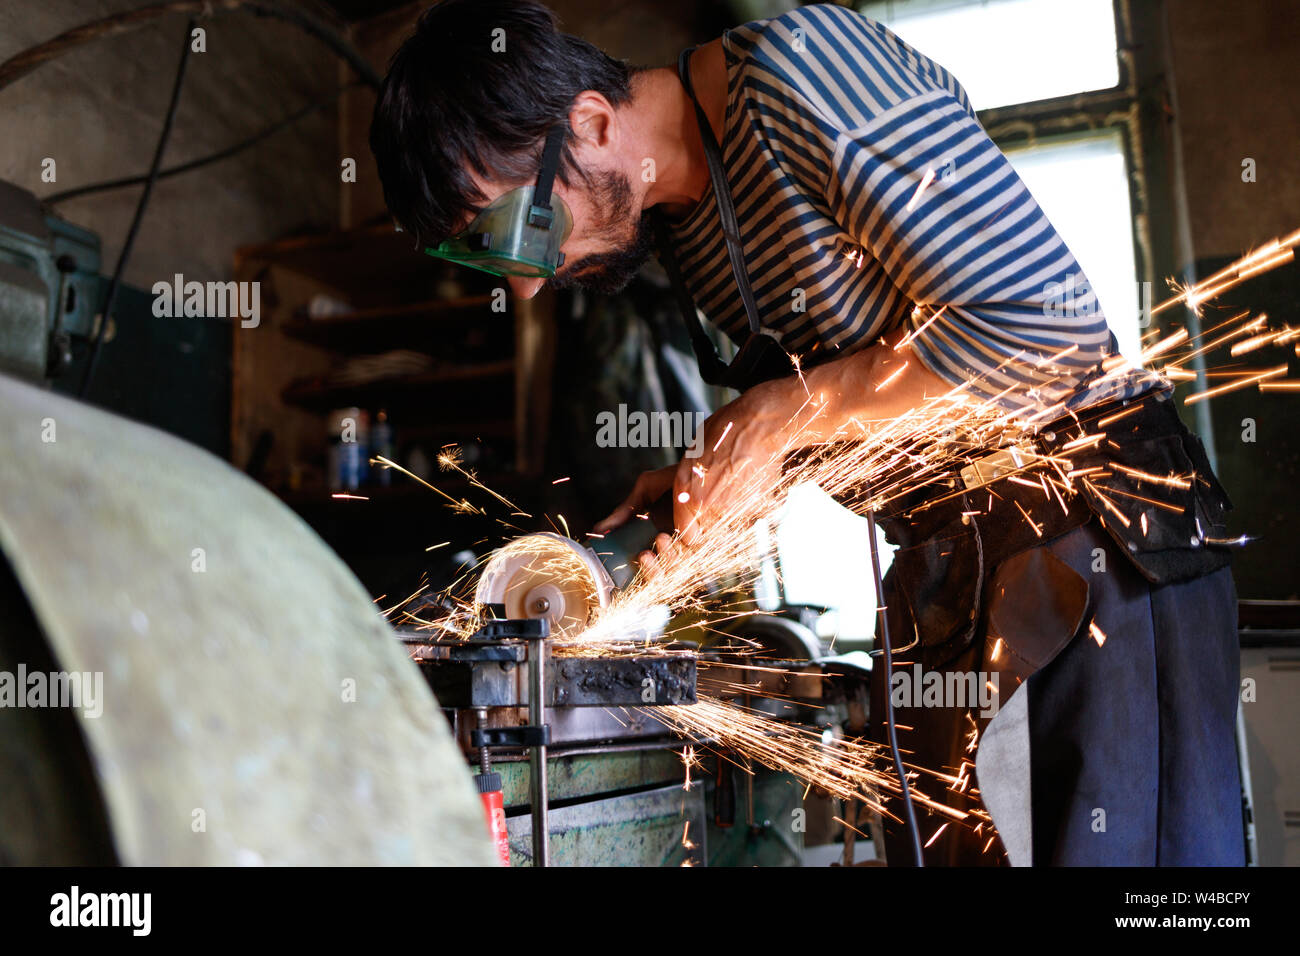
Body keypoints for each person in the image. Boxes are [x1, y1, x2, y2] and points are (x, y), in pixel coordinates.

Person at [369, 0, 1245, 866]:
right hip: (949, 564)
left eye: (521, 228)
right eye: (490, 259)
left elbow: (1041, 331)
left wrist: (780, 414)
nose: (526, 286)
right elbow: (853, 390)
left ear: (592, 122)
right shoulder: (685, 226)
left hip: (1091, 536)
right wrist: (732, 469)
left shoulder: (801, 74)